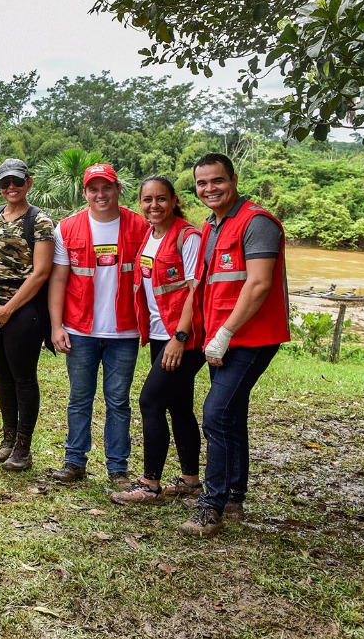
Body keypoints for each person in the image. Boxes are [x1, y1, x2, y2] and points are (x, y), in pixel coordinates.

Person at [178, 154, 289, 537]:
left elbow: (258, 284)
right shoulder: (211, 227)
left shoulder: (257, 223)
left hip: (251, 337)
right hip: (220, 338)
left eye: (217, 181)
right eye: (202, 183)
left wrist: (225, 333)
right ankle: (235, 496)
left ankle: (211, 506)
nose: (209, 189)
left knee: (215, 414)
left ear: (234, 179)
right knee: (231, 415)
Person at [47, 162, 149, 489]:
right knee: (80, 398)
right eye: (94, 188)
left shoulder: (141, 226)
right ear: (85, 192)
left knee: (118, 401)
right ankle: (74, 461)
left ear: (119, 189)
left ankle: (118, 468)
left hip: (125, 331)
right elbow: (59, 280)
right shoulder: (68, 228)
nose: (100, 194)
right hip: (79, 329)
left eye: (107, 187)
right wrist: (56, 326)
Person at [111, 176, 204, 507]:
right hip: (159, 334)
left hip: (181, 337)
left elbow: (196, 289)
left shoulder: (187, 237)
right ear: (140, 203)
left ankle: (150, 485)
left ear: (174, 199)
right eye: (147, 200)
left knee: (150, 402)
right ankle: (191, 482)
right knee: (178, 406)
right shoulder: (151, 235)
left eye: (161, 199)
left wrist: (180, 337)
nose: (154, 206)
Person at [0, 158, 54, 472]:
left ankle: (23, 447)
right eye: (5, 183)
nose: (11, 188)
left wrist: (10, 308)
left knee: (22, 378)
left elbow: (41, 272)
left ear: (28, 183)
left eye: (17, 182)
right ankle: (7, 440)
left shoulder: (40, 220)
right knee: (2, 377)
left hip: (22, 307)